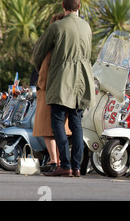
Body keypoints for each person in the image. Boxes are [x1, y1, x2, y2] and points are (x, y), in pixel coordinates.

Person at [33, 0, 95, 177]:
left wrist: (41, 70)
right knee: (76, 123)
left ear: (63, 6)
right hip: (83, 80)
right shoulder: (86, 27)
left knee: (57, 122)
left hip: (61, 80)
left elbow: (39, 52)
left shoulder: (57, 27)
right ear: (79, 7)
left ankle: (65, 164)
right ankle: (76, 167)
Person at [33, 13, 72, 173]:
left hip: (48, 90)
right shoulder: (67, 49)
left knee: (47, 129)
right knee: (60, 129)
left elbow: (42, 71)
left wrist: (40, 86)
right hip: (66, 91)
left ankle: (54, 160)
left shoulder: (49, 49)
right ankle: (60, 160)